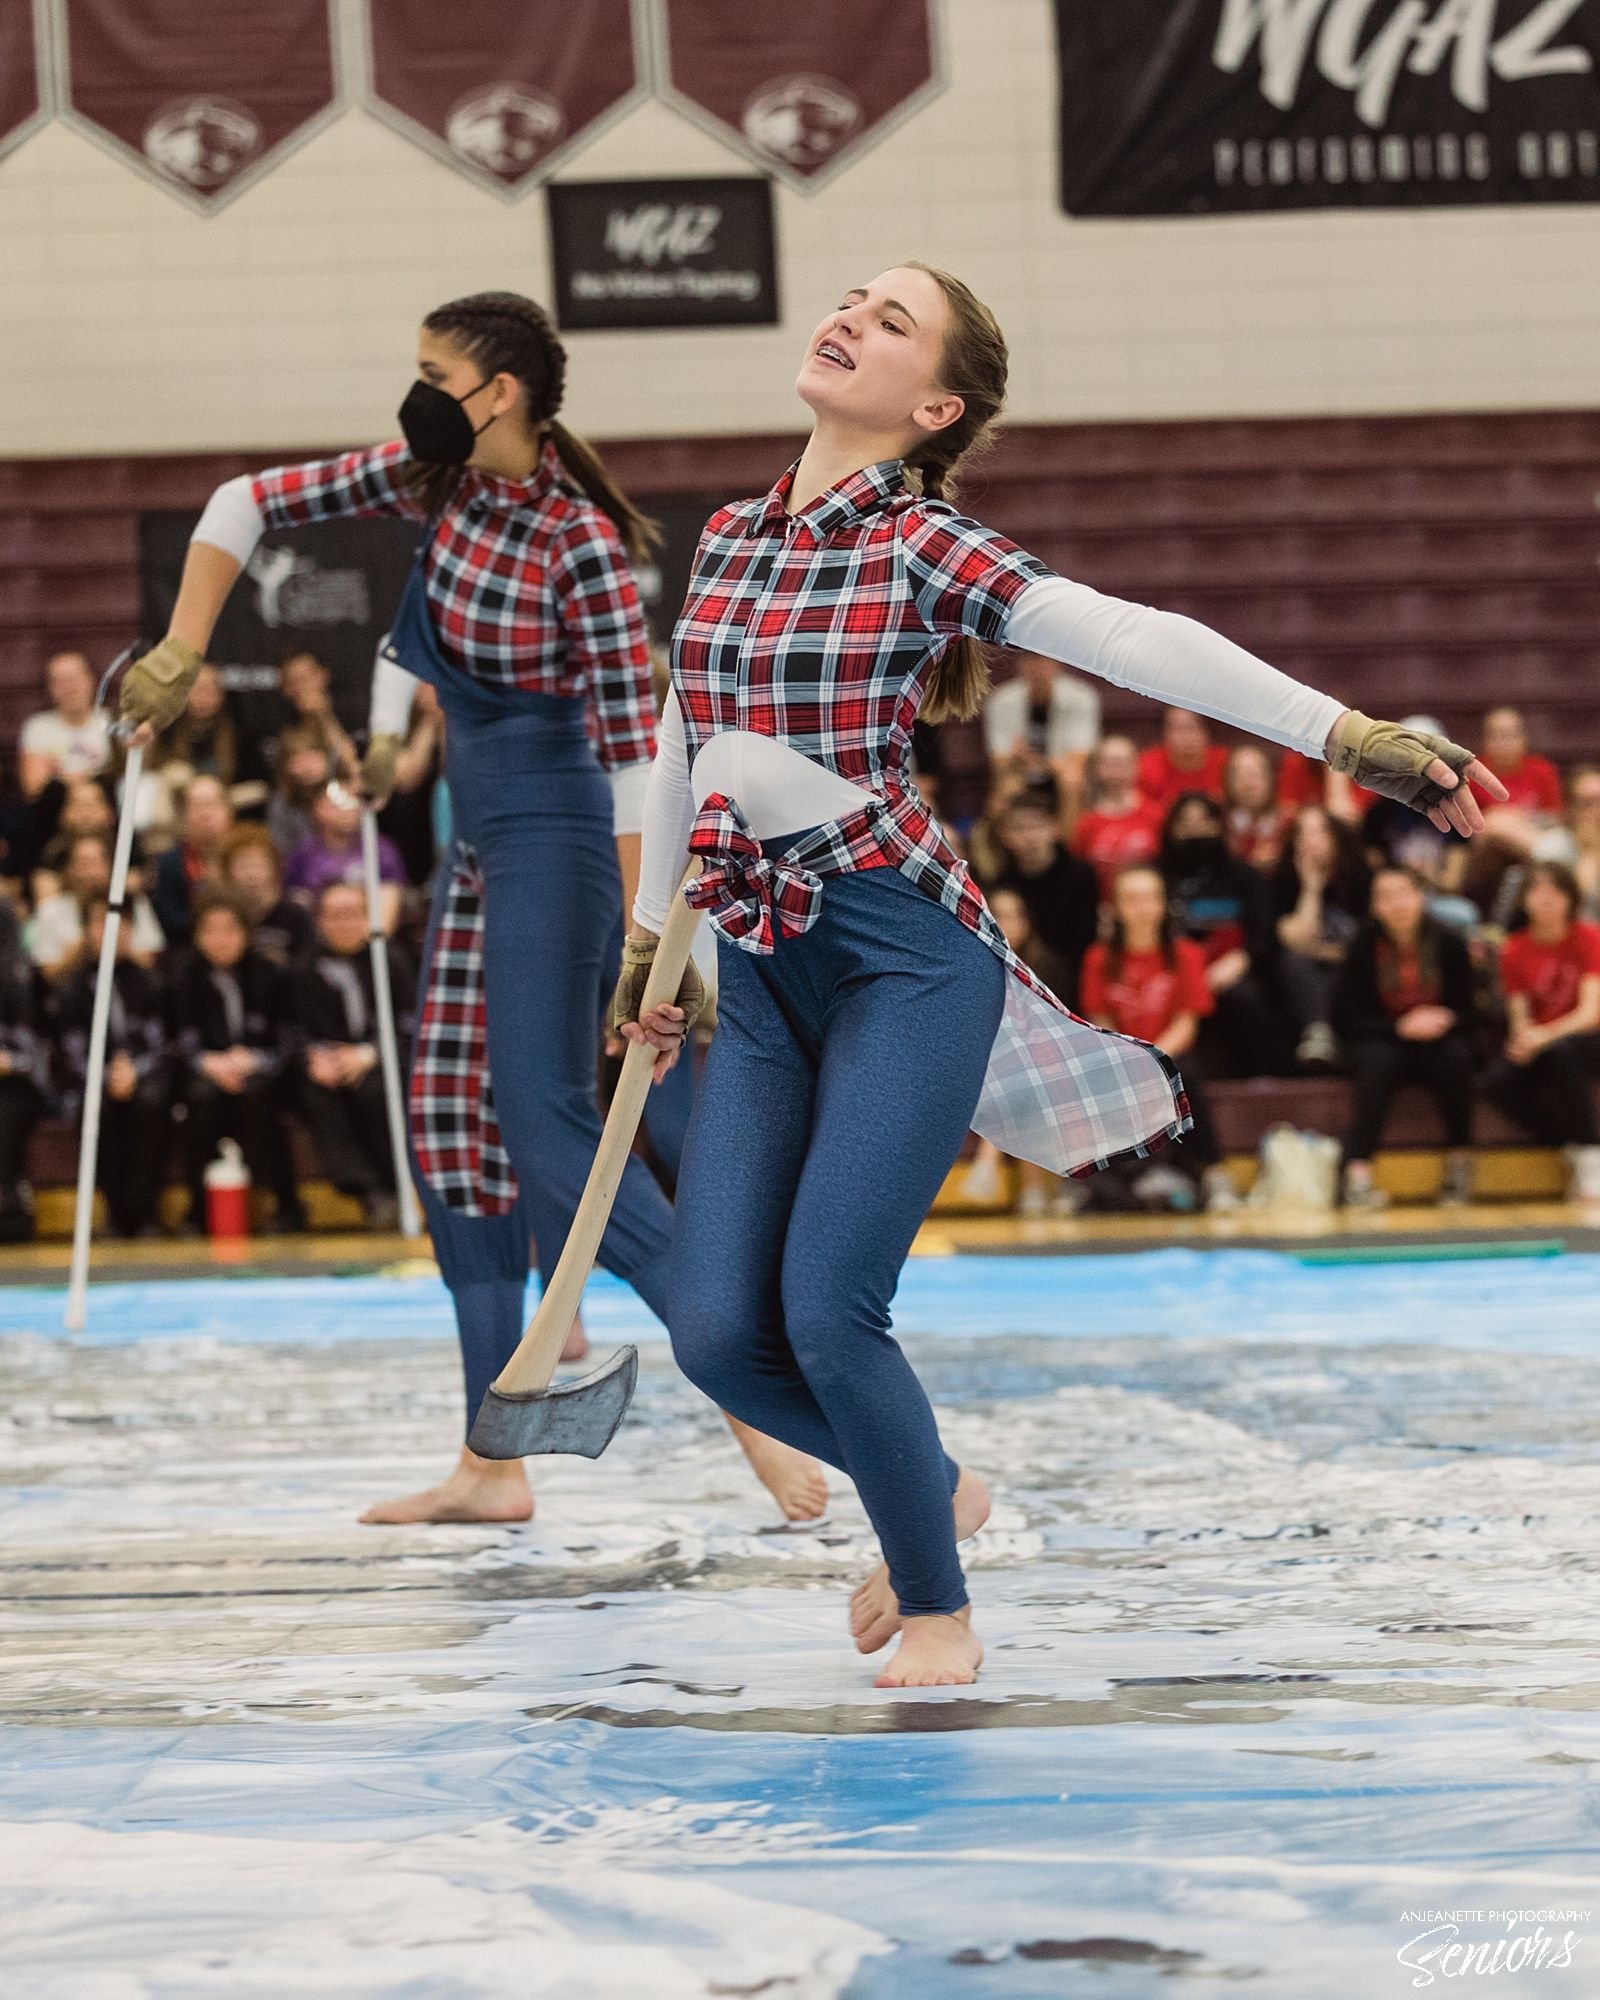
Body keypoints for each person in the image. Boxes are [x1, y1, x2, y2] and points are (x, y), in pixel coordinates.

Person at [614, 262, 1501, 1689]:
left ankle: (939, 1607)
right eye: (852, 298)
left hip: (903, 962)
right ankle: (934, 1483)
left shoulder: (924, 542)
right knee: (719, 1334)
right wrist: (649, 939)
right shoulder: (729, 532)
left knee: (829, 1310)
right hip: (763, 967)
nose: (849, 319)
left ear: (936, 406)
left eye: (892, 322)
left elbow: (1134, 638)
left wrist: (1345, 737)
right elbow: (684, 736)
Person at [117, 286, 817, 1531]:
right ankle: (495, 1461)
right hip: (478, 853)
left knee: (551, 1132)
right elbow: (243, 502)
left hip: (567, 849)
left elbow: (635, 757)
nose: (417, 391)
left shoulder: (577, 544)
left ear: (499, 393)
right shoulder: (437, 483)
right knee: (451, 1135)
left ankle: (760, 1401)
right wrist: (182, 645)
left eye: (435, 372)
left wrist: (651, 934)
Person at [1078, 865, 1236, 1213]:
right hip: (1119, 1055)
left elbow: (1186, 1024)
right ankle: (1089, 1182)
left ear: (1164, 904)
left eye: (1151, 898)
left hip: (1170, 1054)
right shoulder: (1098, 958)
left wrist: (1150, 1058)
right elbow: (1100, 1020)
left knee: (1184, 1076)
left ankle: (1214, 1173)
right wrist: (1127, 1056)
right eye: (1132, 899)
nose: (1143, 908)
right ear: (1116, 908)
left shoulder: (1186, 954)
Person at [1333, 866, 1477, 1210]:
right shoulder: (1362, 946)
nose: (1396, 904)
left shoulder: (1449, 941)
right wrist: (1399, 1026)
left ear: (1420, 898)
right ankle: (1358, 1173)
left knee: (1456, 1057)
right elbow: (1347, 1018)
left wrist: (1445, 1018)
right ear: (1374, 906)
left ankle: (1460, 1161)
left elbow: (1472, 1011)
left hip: (1438, 1036)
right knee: (1377, 1062)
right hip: (1382, 1037)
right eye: (1385, 897)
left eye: (1403, 894)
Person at [168, 892, 304, 1232]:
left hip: (261, 1073)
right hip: (204, 1072)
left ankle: (281, 1204)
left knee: (259, 1094)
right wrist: (208, 1062)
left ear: (246, 933)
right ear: (197, 935)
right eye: (210, 930)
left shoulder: (270, 974)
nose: (220, 939)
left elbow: (288, 1037)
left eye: (229, 930)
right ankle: (199, 1209)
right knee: (201, 1097)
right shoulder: (181, 977)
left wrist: (255, 1059)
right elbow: (175, 1038)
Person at [292, 881, 414, 1230]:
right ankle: (367, 1191)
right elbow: (293, 1028)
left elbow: (409, 1024)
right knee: (316, 1094)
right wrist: (317, 1058)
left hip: (382, 1057)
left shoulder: (390, 960)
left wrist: (369, 1054)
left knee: (374, 1090)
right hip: (327, 1064)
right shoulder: (303, 968)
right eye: (334, 915)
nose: (344, 924)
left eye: (352, 914)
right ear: (320, 921)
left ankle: (397, 1186)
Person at [55, 895, 171, 1238]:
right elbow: (69, 1047)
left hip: (142, 1076)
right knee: (96, 1107)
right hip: (91, 1078)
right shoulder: (73, 987)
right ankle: (115, 1212)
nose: (112, 930)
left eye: (122, 923)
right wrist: (105, 1074)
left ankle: (144, 1211)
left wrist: (134, 1069)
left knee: (152, 1103)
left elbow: (161, 1041)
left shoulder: (150, 982)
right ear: (87, 929)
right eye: (101, 922)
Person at [1483, 862, 1600, 1200]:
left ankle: (1591, 1155)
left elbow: (1590, 1013)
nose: (1546, 899)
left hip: (1587, 1039)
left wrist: (1544, 1037)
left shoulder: (1589, 937)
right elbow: (1519, 1015)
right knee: (1497, 1079)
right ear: (1523, 899)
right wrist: (1523, 1041)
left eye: (1555, 891)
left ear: (1571, 898)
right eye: (1537, 890)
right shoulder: (1513, 949)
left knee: (1565, 1052)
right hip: (1545, 1042)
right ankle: (1565, 1143)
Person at [962, 885, 1073, 1216]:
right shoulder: (968, 964)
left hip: (1041, 1056)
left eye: (1014, 916)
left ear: (1027, 922)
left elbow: (1058, 1025)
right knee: (1016, 1072)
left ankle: (1000, 1166)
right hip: (986, 1057)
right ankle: (1038, 1187)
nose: (1007, 923)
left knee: (1030, 1073)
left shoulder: (1049, 966)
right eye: (999, 916)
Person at [1160, 791, 1280, 1077]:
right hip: (1171, 970)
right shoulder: (1158, 875)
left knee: (1245, 997)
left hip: (1229, 968)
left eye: (1204, 822)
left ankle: (1259, 1078)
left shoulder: (1245, 876)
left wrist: (1241, 959)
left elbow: (1263, 935)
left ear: (1219, 826)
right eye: (1185, 823)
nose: (1195, 831)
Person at [1268, 804, 1371, 1071]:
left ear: (1337, 837)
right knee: (1294, 963)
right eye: (1301, 834)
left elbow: (1368, 945)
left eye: (1319, 832)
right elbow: (1295, 942)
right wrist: (1311, 887)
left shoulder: (1362, 877)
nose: (1309, 841)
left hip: (1355, 971)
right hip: (1305, 974)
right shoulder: (1282, 880)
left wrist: (1324, 951)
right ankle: (1318, 1032)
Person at [988, 795, 1098, 1006]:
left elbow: (1086, 939)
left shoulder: (1081, 875)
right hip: (1023, 979)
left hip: (1076, 977)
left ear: (1055, 828)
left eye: (1037, 826)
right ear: (1004, 835)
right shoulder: (1003, 883)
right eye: (1018, 828)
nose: (1029, 836)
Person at [25, 832, 164, 978]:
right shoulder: (51, 910)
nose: (91, 873)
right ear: (69, 869)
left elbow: (149, 960)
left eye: (97, 863)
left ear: (110, 867)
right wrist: (85, 945)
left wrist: (116, 943)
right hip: (74, 988)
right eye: (84, 864)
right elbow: (48, 973)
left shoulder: (135, 904)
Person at [981, 650, 1099, 819]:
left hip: (1062, 772)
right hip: (1020, 769)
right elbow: (1000, 760)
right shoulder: (1002, 699)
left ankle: (1067, 837)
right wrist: (1025, 761)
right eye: (1030, 661)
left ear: (1057, 664)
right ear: (1020, 665)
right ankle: (998, 836)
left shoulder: (1081, 696)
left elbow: (1079, 758)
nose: (1037, 668)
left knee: (1072, 780)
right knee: (1005, 788)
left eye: (1043, 661)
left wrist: (1035, 760)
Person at [282, 783, 404, 926]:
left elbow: (391, 899)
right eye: (338, 803)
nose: (347, 809)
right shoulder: (303, 854)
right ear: (317, 808)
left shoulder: (381, 850)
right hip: (315, 931)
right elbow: (294, 901)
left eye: (352, 802)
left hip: (369, 929)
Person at [1069, 734, 1163, 900]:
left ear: (1137, 766)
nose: (1117, 768)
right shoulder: (1086, 823)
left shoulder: (1157, 814)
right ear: (1098, 768)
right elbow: (1077, 872)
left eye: (1123, 761)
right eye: (1110, 762)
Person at [0, 906, 44, 1241]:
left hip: (16, 1084)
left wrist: (11, 1060)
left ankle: (9, 1201)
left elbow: (37, 1045)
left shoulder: (22, 979)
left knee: (7, 1108)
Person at [150, 775, 235, 947]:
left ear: (229, 810)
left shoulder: (247, 853)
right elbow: (170, 920)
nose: (205, 814)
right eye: (196, 806)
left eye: (211, 804)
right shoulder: (170, 864)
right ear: (184, 816)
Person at [18, 649, 112, 800]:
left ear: (91, 680)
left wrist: (61, 777)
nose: (69, 687)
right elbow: (34, 788)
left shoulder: (113, 722)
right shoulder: (38, 727)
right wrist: (95, 775)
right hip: (56, 808)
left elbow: (125, 778)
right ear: (50, 688)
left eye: (75, 678)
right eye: (60, 681)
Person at [219, 825, 315, 968]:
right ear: (228, 873)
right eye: (242, 866)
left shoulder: (296, 916)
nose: (251, 874)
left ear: (274, 868)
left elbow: (306, 963)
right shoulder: (224, 918)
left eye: (258, 865)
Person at [1471, 706, 1562, 819]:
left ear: (1524, 738)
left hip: (1533, 827)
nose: (1503, 743)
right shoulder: (1473, 772)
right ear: (1484, 740)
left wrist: (1518, 817)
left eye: (1510, 735)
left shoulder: (1543, 770)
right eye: (1495, 736)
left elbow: (1555, 816)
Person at [1137, 706, 1228, 814]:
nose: (1186, 736)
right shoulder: (1145, 766)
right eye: (1178, 729)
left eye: (1191, 728)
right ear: (1164, 734)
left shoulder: (1225, 763)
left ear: (1206, 732)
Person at [1223, 742, 1288, 871]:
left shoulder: (1289, 826)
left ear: (1272, 778)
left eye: (1254, 775)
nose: (1248, 785)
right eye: (1239, 776)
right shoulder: (1218, 825)